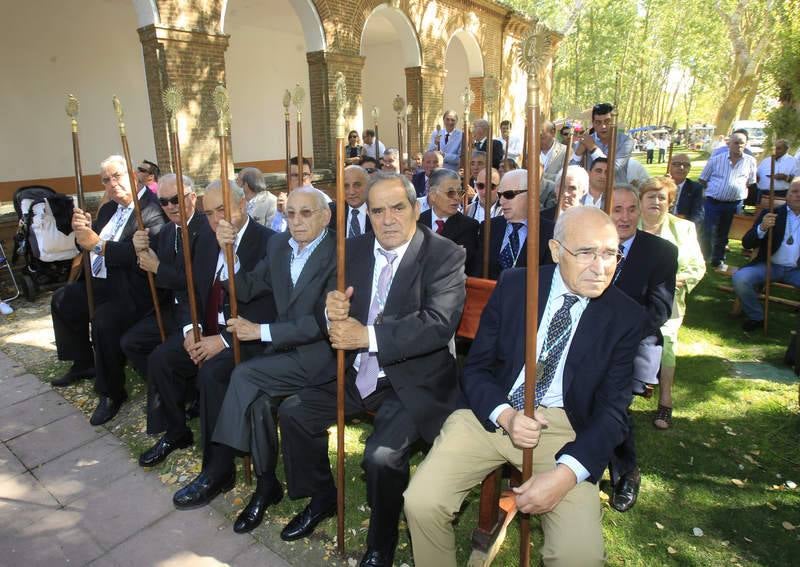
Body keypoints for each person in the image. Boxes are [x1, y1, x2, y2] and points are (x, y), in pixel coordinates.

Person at [404, 206, 644, 567]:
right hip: (491, 414)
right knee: (421, 502)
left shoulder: (625, 316)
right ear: (555, 250)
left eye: (610, 253)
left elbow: (613, 413)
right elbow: (477, 369)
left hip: (566, 431)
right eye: (586, 252)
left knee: (579, 557)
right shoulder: (517, 286)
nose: (601, 266)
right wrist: (506, 416)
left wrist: (565, 476)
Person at [277, 173, 466, 566]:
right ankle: (323, 496)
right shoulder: (354, 250)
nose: (388, 219)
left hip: (413, 379)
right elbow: (325, 307)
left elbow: (437, 324)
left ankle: (381, 541)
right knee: (293, 412)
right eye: (377, 210)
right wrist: (331, 309)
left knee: (380, 456)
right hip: (355, 369)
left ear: (416, 209)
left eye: (398, 207)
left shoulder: (444, 254)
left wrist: (368, 336)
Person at [207, 187, 336, 533]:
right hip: (283, 355)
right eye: (290, 213)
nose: (296, 221)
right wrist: (228, 254)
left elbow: (320, 323)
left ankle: (223, 455)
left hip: (321, 358)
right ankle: (267, 485)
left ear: (325, 216)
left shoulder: (341, 252)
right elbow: (247, 287)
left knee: (245, 376)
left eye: (306, 213)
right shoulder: (278, 245)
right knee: (259, 405)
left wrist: (260, 332)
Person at [139, 180, 275, 469]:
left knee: (211, 374)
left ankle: (217, 469)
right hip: (207, 327)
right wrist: (191, 328)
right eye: (210, 213)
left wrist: (224, 340)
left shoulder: (267, 242)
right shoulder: (205, 241)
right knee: (162, 358)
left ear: (242, 205)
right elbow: (192, 289)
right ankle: (176, 431)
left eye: (223, 210)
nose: (216, 220)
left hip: (245, 336)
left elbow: (269, 307)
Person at [50, 155, 167, 425]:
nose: (112, 184)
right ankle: (83, 362)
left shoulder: (151, 209)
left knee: (103, 320)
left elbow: (141, 254)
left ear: (134, 174)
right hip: (102, 282)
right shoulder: (108, 210)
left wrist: (97, 244)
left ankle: (111, 392)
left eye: (117, 176)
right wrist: (82, 233)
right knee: (63, 299)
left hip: (135, 290)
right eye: (106, 180)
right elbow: (89, 245)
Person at [608, 185, 677, 512]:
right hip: (586, 336)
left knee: (612, 400)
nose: (624, 217)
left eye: (630, 209)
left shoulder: (660, 252)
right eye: (616, 209)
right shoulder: (592, 243)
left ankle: (626, 473)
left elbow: (659, 309)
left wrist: (617, 337)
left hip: (633, 341)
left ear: (640, 210)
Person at [120, 173, 210, 383]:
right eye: (164, 202)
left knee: (164, 357)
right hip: (172, 308)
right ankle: (164, 389)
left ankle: (181, 392)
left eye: (176, 199)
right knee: (131, 342)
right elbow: (150, 266)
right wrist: (140, 250)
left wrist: (157, 267)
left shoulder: (206, 228)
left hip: (199, 310)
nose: (171, 206)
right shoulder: (168, 230)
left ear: (193, 197)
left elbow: (196, 282)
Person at [639, 177, 706, 429]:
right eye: (650, 197)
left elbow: (697, 268)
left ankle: (665, 401)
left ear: (670, 202)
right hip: (632, 298)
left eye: (662, 198)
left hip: (667, 300)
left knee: (666, 342)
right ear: (641, 200)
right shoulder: (627, 224)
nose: (656, 201)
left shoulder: (684, 229)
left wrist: (672, 279)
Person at [733, 179, 800, 331]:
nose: (798, 195)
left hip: (796, 270)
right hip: (770, 265)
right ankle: (756, 316)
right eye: (794, 191)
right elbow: (747, 243)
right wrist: (762, 228)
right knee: (741, 278)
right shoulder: (771, 213)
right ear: (787, 195)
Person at [472, 169, 554, 280]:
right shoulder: (489, 227)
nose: (501, 201)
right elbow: (477, 275)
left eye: (509, 195)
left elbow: (546, 279)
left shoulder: (550, 233)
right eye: (500, 195)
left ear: (531, 194)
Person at [699, 132, 758, 272]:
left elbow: (751, 182)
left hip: (734, 204)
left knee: (724, 233)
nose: (738, 145)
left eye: (741, 143)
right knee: (708, 231)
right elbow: (702, 179)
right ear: (729, 143)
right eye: (735, 142)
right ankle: (704, 257)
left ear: (746, 144)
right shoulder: (716, 159)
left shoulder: (751, 161)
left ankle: (717, 259)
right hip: (713, 202)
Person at [419, 168, 479, 271]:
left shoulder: (469, 226)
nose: (457, 198)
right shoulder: (417, 222)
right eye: (451, 193)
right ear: (433, 195)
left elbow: (456, 263)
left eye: (460, 192)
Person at [571, 103, 633, 183]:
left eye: (607, 121)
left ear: (615, 122)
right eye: (598, 122)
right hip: (591, 192)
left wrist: (593, 148)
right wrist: (578, 154)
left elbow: (614, 168)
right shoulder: (585, 140)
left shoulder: (626, 141)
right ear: (593, 124)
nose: (603, 126)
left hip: (616, 191)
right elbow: (571, 171)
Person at [329, 165, 373, 237]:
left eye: (357, 185)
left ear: (368, 185)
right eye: (346, 186)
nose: (351, 192)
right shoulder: (331, 212)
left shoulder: (378, 210)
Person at [668, 153, 704, 227]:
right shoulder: (660, 185)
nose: (681, 168)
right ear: (669, 166)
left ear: (689, 169)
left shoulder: (696, 188)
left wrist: (687, 228)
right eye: (677, 164)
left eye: (686, 165)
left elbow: (698, 215)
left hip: (682, 226)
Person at [540, 121, 567, 209]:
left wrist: (540, 176)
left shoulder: (565, 151)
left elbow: (564, 178)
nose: (539, 136)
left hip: (555, 203)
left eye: (542, 133)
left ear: (553, 133)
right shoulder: (530, 152)